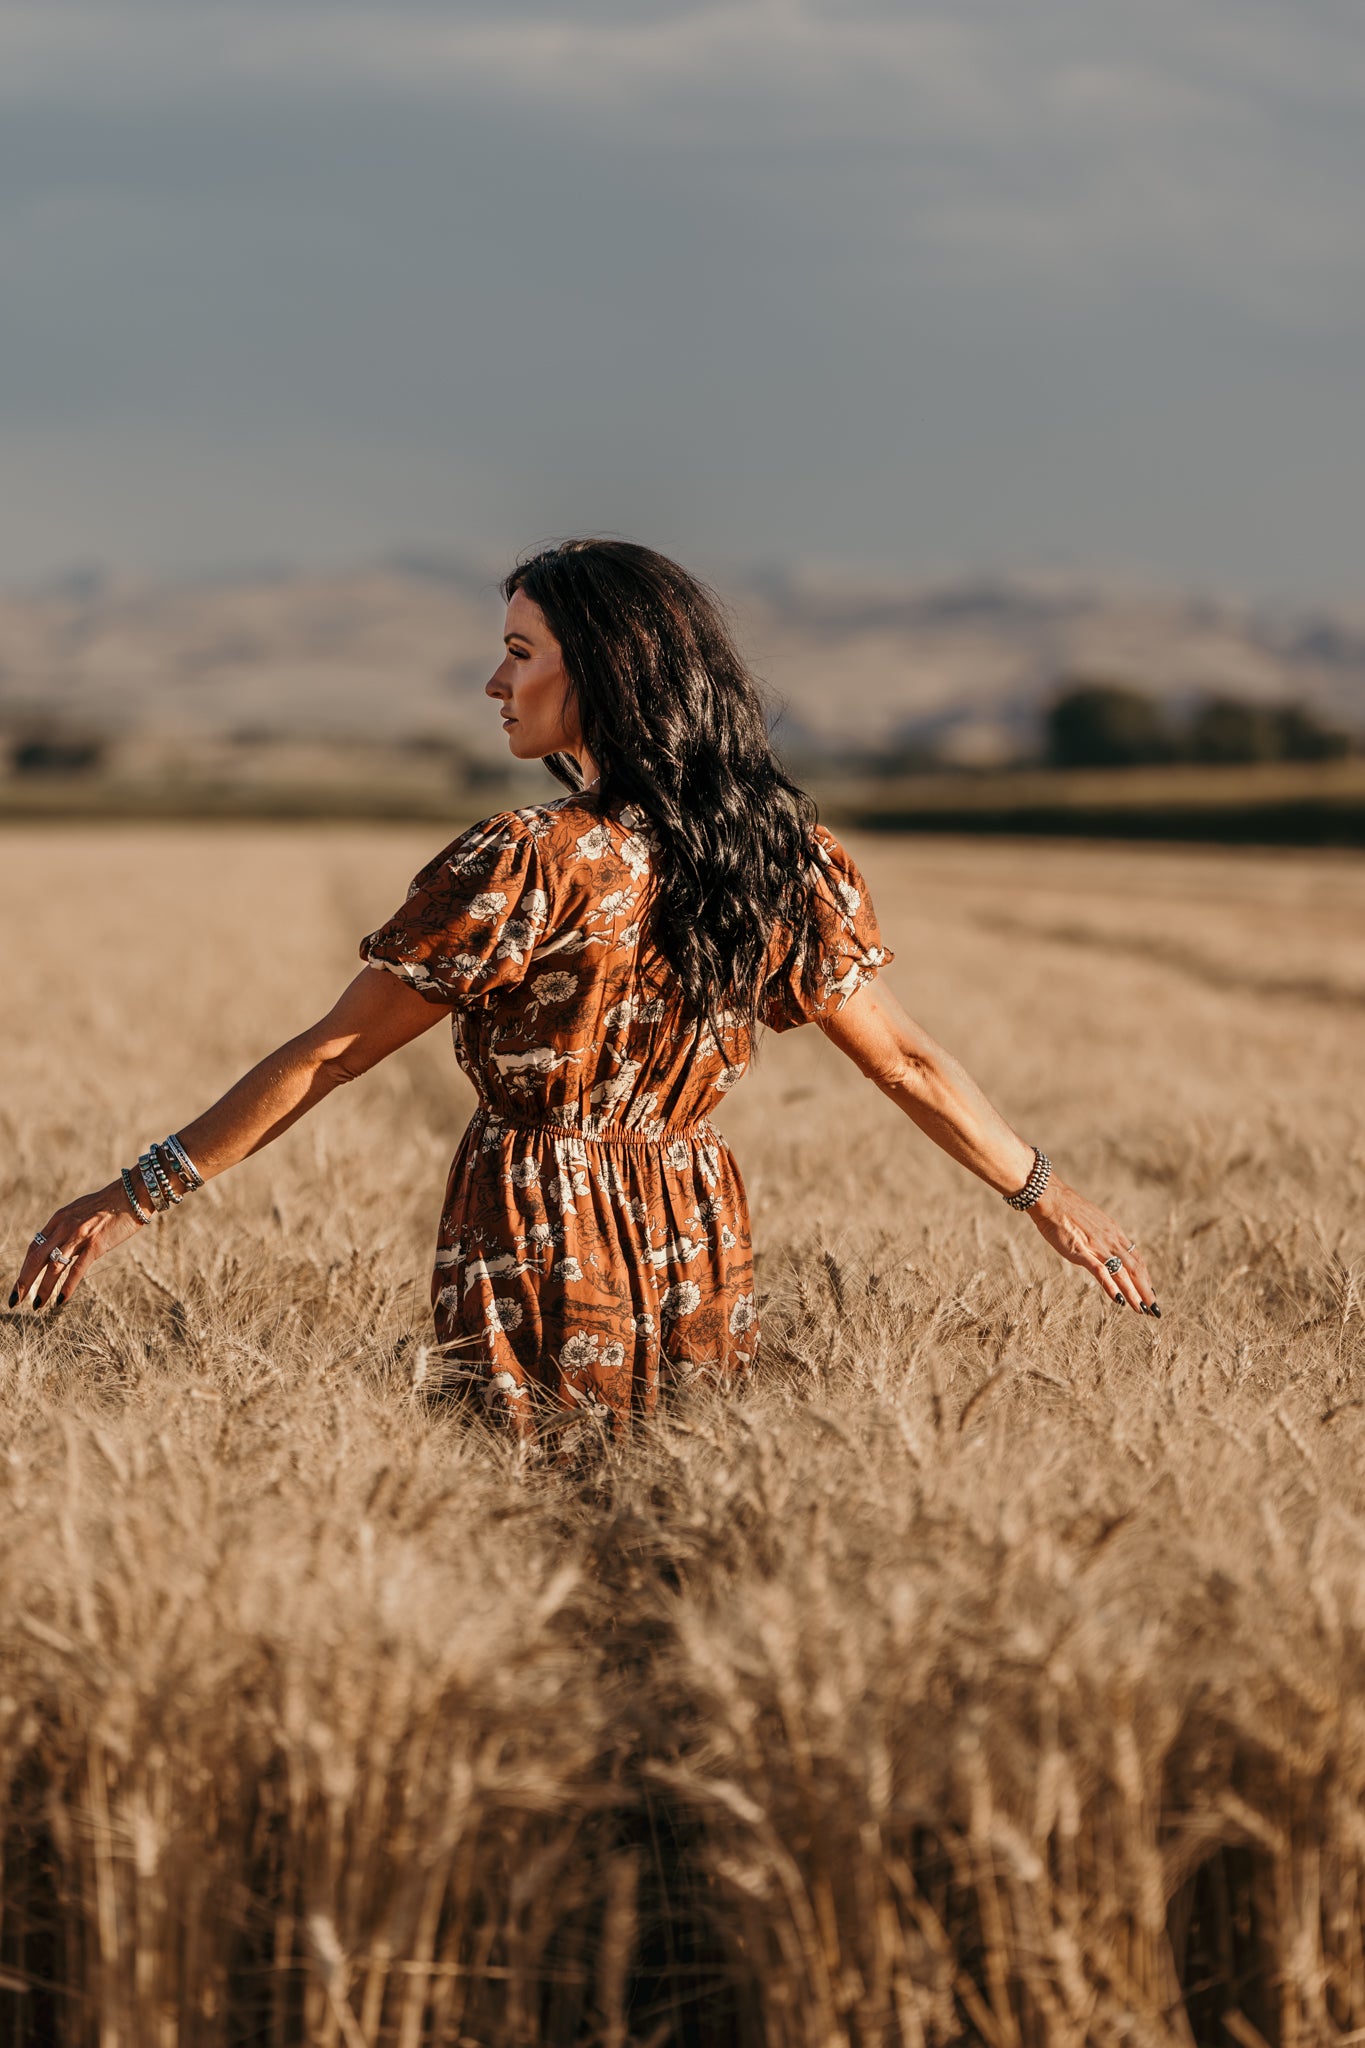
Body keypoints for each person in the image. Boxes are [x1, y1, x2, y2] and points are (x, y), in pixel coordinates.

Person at [10, 540, 1159, 1436]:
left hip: (531, 1219)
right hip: (698, 1219)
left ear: (602, 669)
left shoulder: (526, 859)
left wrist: (131, 1193)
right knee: (683, 1500)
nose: (492, 681)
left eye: (521, 651)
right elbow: (903, 1058)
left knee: (532, 1505)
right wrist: (1045, 1193)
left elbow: (332, 1052)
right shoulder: (781, 856)